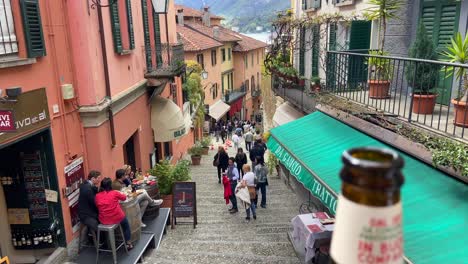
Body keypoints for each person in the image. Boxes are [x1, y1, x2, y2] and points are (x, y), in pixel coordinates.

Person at [95, 177, 133, 250]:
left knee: (117, 222)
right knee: (126, 225)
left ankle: (109, 243)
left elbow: (97, 205)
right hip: (117, 217)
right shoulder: (114, 193)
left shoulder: (97, 196)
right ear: (110, 185)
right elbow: (124, 198)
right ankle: (128, 243)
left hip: (104, 220)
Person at [78, 170, 101, 235]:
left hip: (85, 211)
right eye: (98, 178)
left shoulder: (85, 184)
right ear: (93, 179)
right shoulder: (88, 189)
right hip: (86, 215)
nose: (99, 180)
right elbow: (94, 203)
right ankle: (98, 241)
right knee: (101, 219)